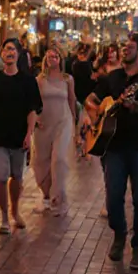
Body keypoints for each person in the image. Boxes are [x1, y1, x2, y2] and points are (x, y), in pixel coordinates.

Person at [83, 33, 138, 270]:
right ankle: (119, 235)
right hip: (114, 147)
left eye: (129, 47)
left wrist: (134, 105)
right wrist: (97, 111)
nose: (123, 50)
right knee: (113, 198)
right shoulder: (112, 77)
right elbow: (90, 98)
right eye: (123, 46)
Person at [0, 38, 42, 234]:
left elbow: (33, 110)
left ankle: (15, 209)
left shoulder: (28, 80)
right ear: (2, 53)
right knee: (1, 176)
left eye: (13, 49)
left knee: (17, 176)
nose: (10, 53)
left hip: (18, 133)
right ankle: (4, 216)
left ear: (19, 54)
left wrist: (29, 134)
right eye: (6, 49)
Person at [34, 46, 77, 216]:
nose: (52, 59)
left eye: (55, 56)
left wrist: (74, 122)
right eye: (49, 57)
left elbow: (72, 100)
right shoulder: (40, 79)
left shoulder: (68, 79)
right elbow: (34, 101)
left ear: (60, 59)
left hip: (63, 122)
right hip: (44, 123)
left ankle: (57, 195)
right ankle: (46, 193)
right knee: (41, 161)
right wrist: (36, 118)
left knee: (58, 159)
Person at [70, 43, 96, 107]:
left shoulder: (87, 63)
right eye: (80, 53)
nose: (82, 55)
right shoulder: (78, 64)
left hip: (85, 92)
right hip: (81, 92)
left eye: (84, 53)